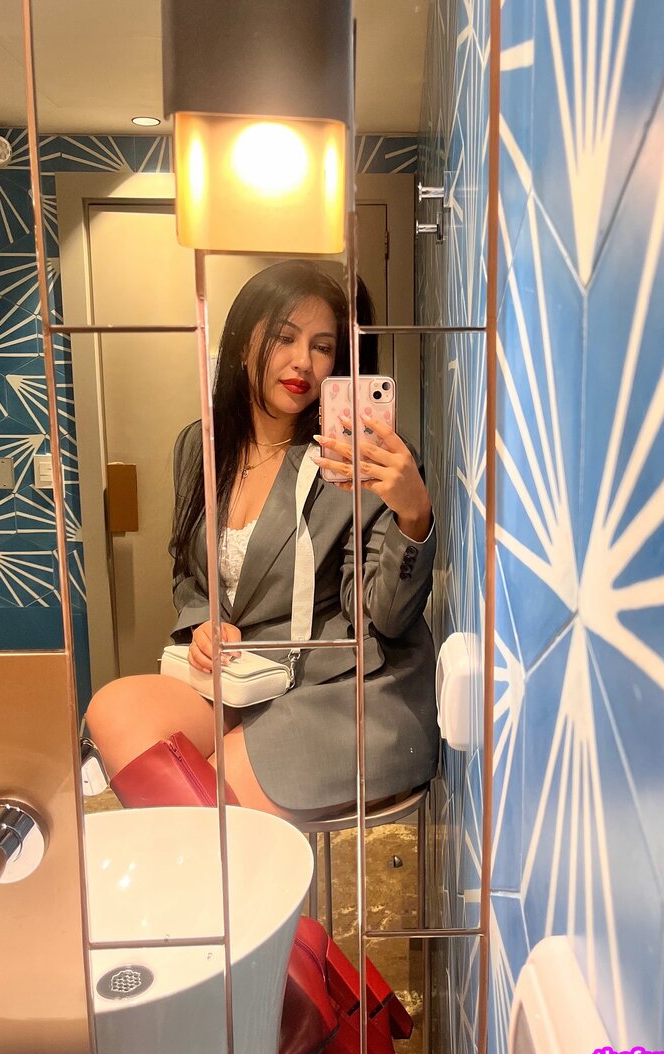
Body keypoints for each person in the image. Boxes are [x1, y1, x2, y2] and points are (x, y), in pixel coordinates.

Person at [86, 260, 439, 818]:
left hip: (346, 684)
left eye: (323, 347)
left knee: (211, 798)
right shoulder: (201, 447)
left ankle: (235, 874)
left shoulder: (359, 458)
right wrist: (203, 623)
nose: (303, 362)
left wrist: (412, 516)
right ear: (244, 342)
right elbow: (189, 573)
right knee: (114, 710)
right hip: (245, 675)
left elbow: (385, 619)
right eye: (284, 337)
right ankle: (238, 873)